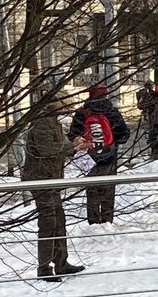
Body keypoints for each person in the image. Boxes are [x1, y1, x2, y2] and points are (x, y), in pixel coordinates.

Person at [23, 98, 92, 281]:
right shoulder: (42, 122)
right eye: (67, 106)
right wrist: (72, 145)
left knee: (59, 218)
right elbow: (47, 149)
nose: (70, 110)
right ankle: (44, 267)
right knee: (49, 220)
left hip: (50, 178)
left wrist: (75, 146)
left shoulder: (53, 121)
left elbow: (59, 148)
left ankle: (61, 262)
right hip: (40, 179)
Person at [67, 84, 130, 225]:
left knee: (92, 191)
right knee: (108, 190)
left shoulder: (82, 113)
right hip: (109, 157)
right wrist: (113, 142)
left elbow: (72, 135)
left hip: (89, 158)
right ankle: (107, 220)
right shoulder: (112, 112)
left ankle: (93, 222)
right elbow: (124, 135)